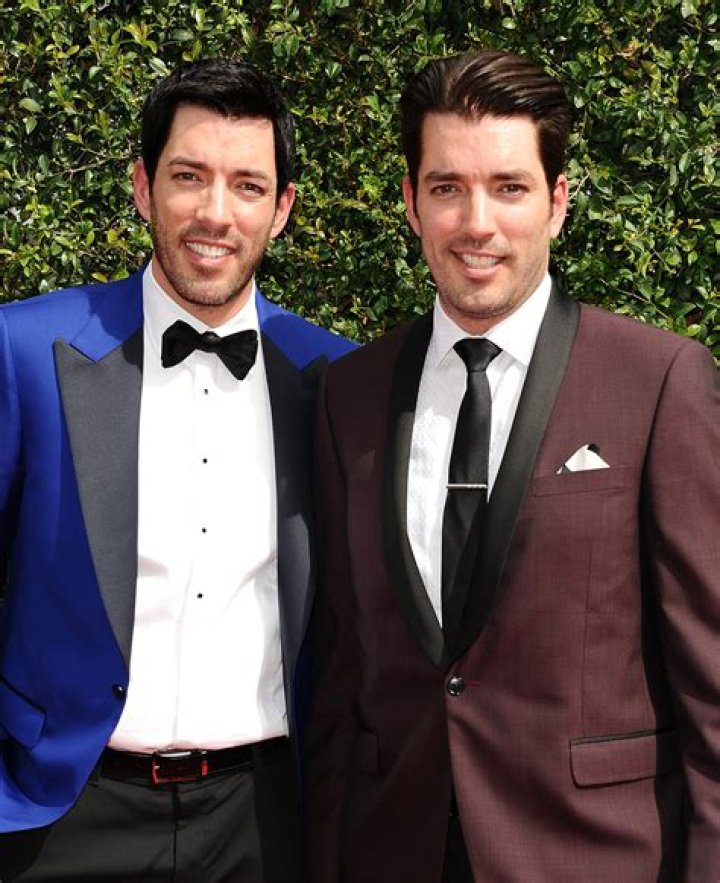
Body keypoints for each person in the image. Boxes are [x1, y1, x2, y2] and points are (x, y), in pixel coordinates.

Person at [304, 48, 719, 882]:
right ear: (410, 202)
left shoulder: (657, 381)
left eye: (509, 187)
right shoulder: (348, 395)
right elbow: (343, 671)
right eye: (447, 187)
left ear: (558, 202)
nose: (477, 223)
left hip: (594, 855)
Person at [0, 58, 355, 881]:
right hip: (59, 816)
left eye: (247, 185)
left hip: (266, 822)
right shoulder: (24, 351)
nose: (215, 213)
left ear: (283, 208)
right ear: (142, 187)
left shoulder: (334, 379)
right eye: (189, 176)